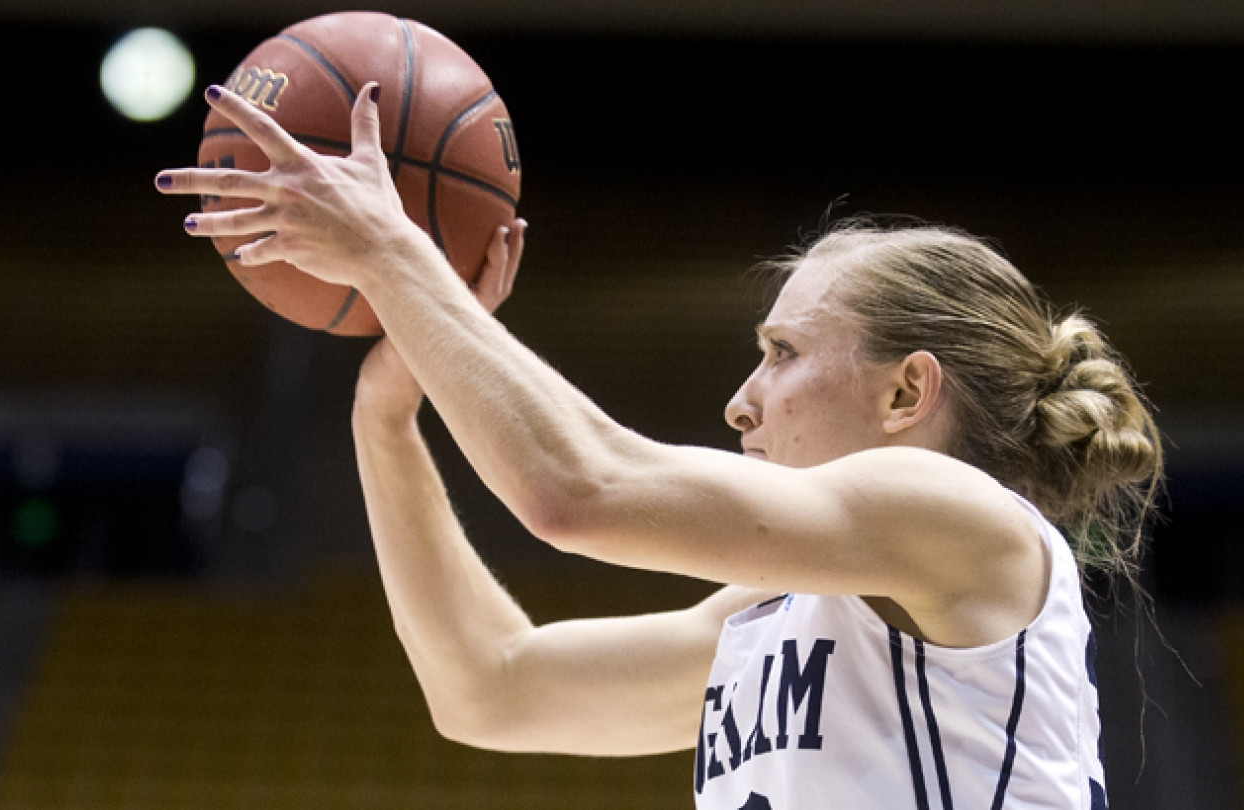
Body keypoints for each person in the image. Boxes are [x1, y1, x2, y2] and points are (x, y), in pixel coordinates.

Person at [157, 82, 1162, 810]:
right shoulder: (779, 617)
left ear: (907, 391)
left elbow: (581, 490)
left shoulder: (969, 520)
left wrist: (391, 252)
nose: (741, 401)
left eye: (781, 353)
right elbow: (492, 687)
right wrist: (386, 422)